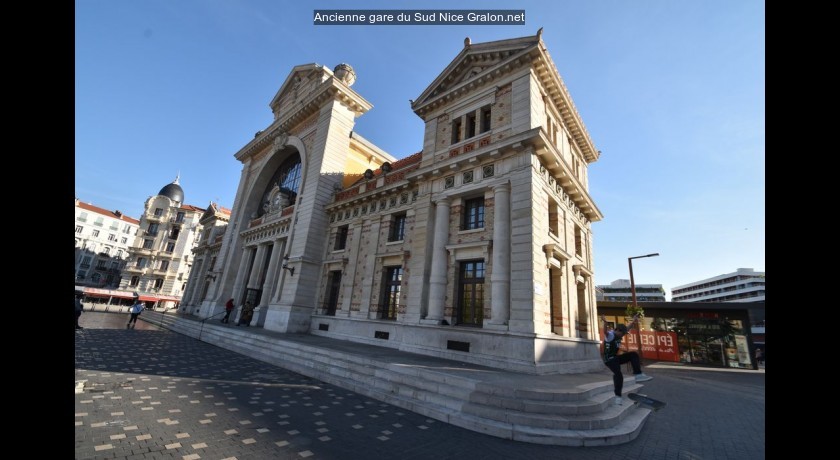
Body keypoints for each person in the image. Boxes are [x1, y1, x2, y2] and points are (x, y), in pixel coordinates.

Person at [601, 315, 653, 406]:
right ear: (617, 330)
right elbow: (605, 332)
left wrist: (633, 321)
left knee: (633, 354)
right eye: (622, 334)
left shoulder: (620, 332)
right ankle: (618, 397)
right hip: (609, 360)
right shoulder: (610, 335)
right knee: (618, 374)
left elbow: (627, 328)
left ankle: (638, 374)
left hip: (616, 358)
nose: (623, 335)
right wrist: (605, 322)